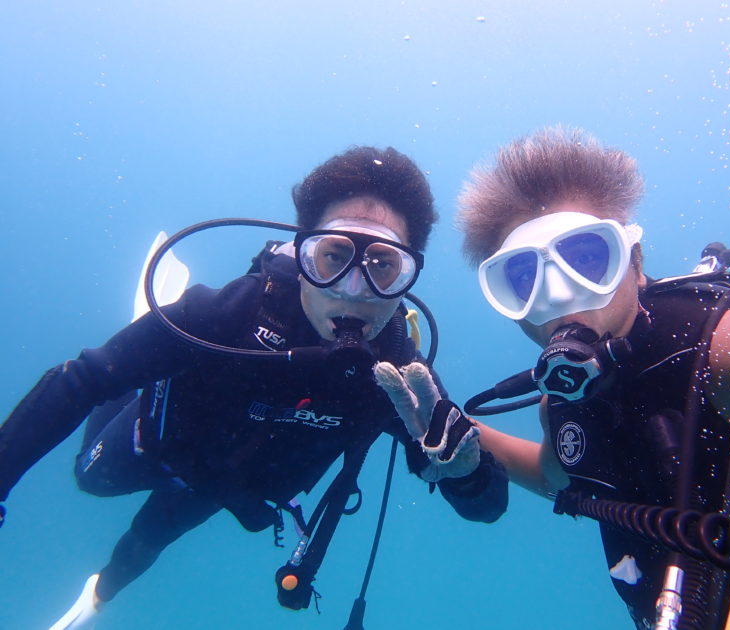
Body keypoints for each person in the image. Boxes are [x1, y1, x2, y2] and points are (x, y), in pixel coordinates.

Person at [0, 146, 508, 629]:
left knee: (150, 538)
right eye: (333, 257)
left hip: (225, 485)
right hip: (160, 438)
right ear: (302, 254)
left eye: (382, 266)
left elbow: (485, 506)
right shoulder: (227, 314)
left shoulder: (400, 378)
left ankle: (101, 596)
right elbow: (80, 381)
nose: (354, 290)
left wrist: (465, 474)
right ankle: (153, 342)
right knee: (94, 479)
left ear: (408, 275)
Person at [448, 126, 730, 629]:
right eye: (525, 278)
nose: (563, 296)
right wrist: (455, 427)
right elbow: (555, 474)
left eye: (589, 259)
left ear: (635, 265)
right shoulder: (562, 402)